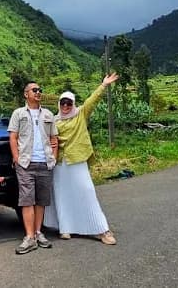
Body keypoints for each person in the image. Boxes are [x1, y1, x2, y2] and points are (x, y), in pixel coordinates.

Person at [43, 73, 119, 245]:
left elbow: (92, 101)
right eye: (63, 103)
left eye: (69, 103)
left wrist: (104, 85)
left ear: (73, 104)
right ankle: (65, 228)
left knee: (87, 191)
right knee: (61, 195)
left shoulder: (80, 115)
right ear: (59, 104)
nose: (65, 106)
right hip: (60, 163)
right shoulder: (54, 120)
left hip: (77, 160)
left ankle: (101, 230)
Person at [8, 81, 59, 254]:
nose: (38, 92)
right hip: (26, 163)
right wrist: (16, 158)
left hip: (45, 162)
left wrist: (53, 158)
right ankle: (29, 237)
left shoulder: (48, 114)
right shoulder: (18, 113)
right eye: (34, 90)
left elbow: (54, 139)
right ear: (26, 94)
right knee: (27, 200)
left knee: (41, 201)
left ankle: (38, 233)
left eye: (40, 90)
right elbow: (13, 138)